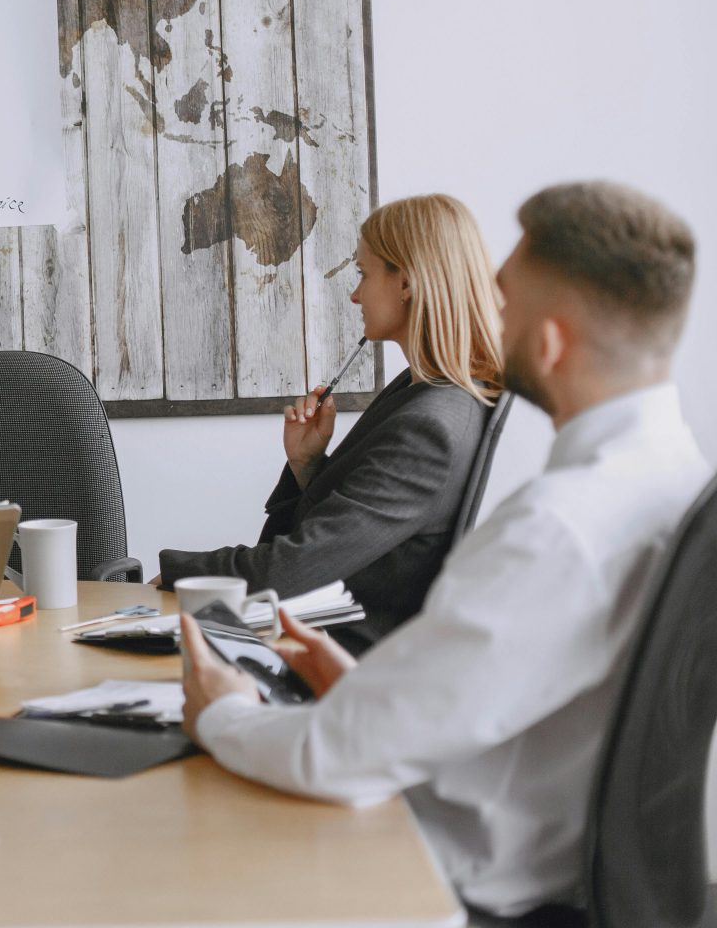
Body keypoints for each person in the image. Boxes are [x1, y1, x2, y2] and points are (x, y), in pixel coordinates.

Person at [180, 181, 707, 920]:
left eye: (503, 298)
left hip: (440, 870)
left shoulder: (556, 530)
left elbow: (337, 760)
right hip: (539, 858)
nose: (488, 313)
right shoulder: (675, 484)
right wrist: (368, 689)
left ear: (550, 342)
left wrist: (223, 713)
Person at [155, 195, 505, 651]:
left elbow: (290, 571)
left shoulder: (431, 426)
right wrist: (306, 464)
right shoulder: (420, 394)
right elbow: (328, 537)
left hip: (338, 662)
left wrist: (176, 572)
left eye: (363, 273)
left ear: (407, 282)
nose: (356, 294)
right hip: (311, 638)